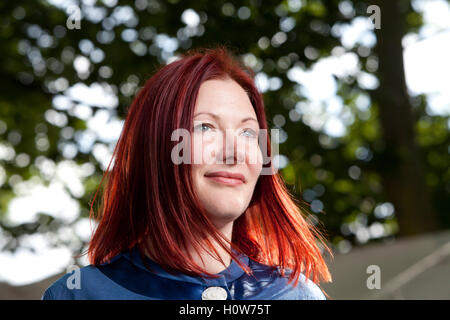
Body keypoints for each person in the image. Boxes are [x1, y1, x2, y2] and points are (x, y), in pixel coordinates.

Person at [42, 46, 333, 300]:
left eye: (248, 133)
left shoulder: (297, 296)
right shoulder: (76, 295)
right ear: (155, 147)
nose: (234, 152)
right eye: (205, 127)